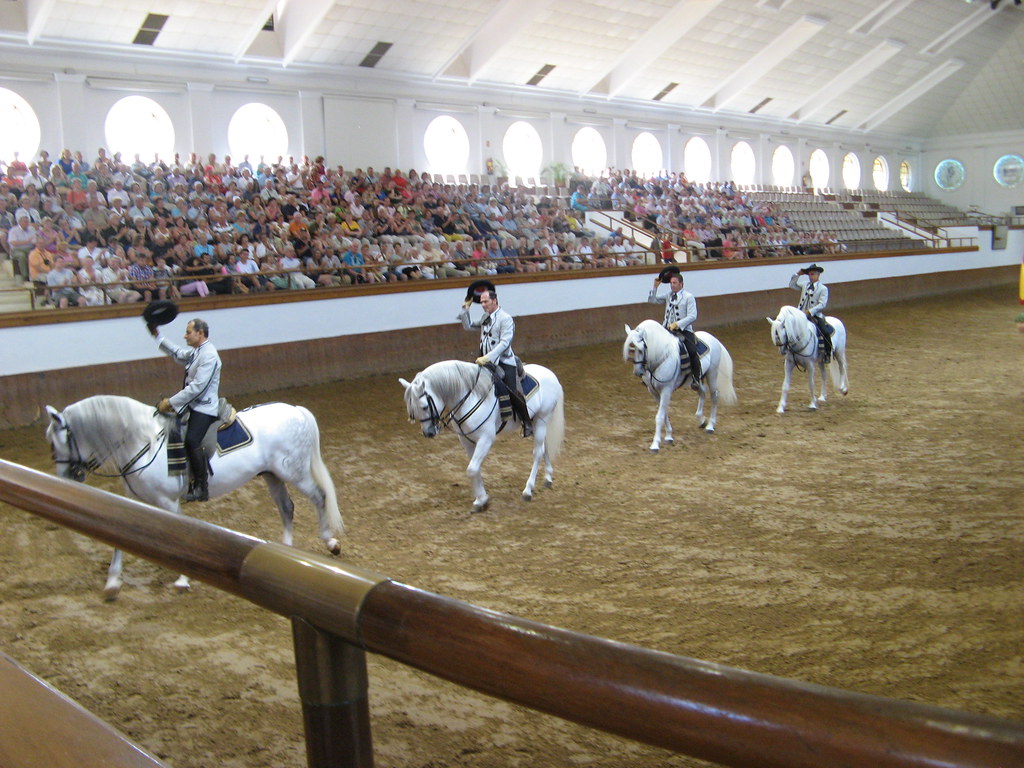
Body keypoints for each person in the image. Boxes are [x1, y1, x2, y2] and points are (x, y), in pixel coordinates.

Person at [151, 317, 222, 502]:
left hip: (204, 408)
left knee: (192, 440)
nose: (185, 336)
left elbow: (198, 387)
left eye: (188, 332)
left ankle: (201, 487)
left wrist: (171, 402)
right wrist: (158, 337)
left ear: (200, 333)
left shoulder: (209, 355)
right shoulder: (198, 351)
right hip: (192, 404)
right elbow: (177, 353)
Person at [458, 284, 532, 437]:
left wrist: (488, 357)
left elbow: (505, 343)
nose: (483, 305)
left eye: (486, 302)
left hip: (503, 361)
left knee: (512, 390)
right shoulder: (486, 317)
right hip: (484, 361)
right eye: (482, 302)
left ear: (495, 300)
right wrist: (465, 309)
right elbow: (468, 326)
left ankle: (527, 423)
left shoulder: (505, 319)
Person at [648, 266, 701, 390]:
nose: (672, 285)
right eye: (671, 283)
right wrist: (655, 287)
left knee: (692, 351)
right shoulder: (668, 295)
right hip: (666, 329)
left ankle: (696, 378)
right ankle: (649, 375)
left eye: (675, 283)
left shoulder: (689, 297)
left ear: (681, 284)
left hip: (683, 330)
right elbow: (652, 300)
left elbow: (693, 315)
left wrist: (678, 324)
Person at [789, 263, 832, 362]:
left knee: (824, 331)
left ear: (818, 275)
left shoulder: (823, 288)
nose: (810, 276)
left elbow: (822, 304)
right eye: (809, 274)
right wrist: (797, 274)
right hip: (800, 314)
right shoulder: (805, 284)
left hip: (814, 314)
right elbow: (791, 285)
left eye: (813, 274)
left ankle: (827, 353)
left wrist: (809, 311)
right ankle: (791, 350)